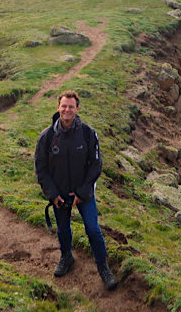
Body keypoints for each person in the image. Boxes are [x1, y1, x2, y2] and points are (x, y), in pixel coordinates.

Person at [34, 90, 118, 290]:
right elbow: (41, 169)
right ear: (58, 107)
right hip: (59, 195)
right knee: (63, 229)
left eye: (71, 106)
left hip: (84, 193)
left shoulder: (88, 134)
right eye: (64, 106)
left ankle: (103, 267)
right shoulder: (46, 137)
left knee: (93, 229)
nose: (67, 110)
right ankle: (66, 257)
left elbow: (96, 165)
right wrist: (52, 195)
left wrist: (82, 192)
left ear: (77, 109)